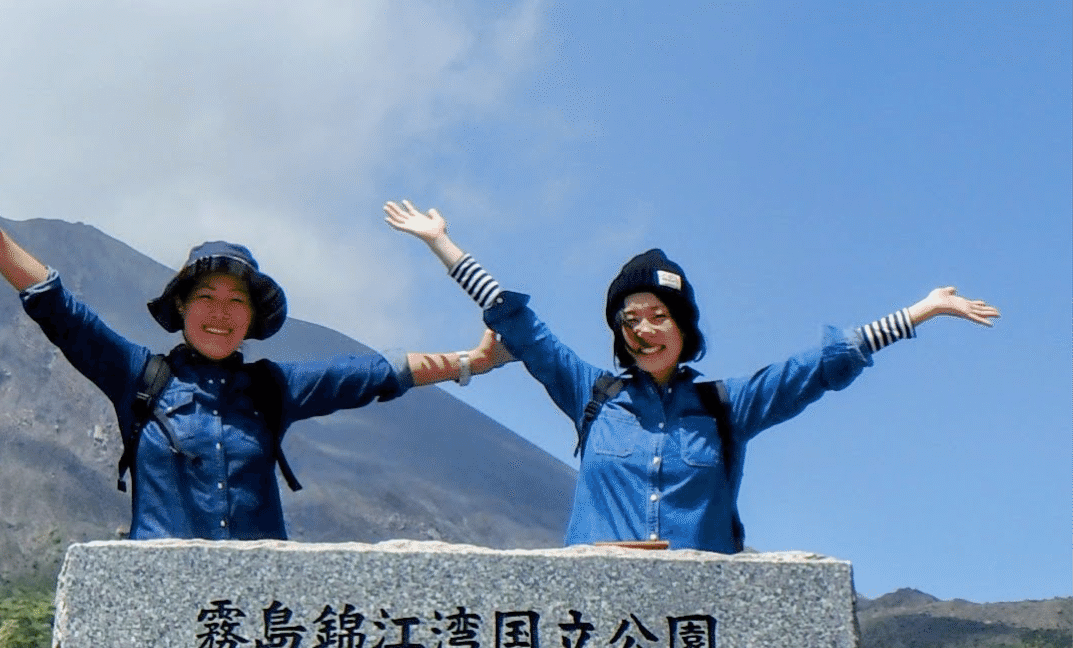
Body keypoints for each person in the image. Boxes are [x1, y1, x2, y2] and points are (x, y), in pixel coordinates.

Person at [0, 150, 508, 541]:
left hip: (256, 609)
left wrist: (471, 363)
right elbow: (57, 307)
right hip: (159, 595)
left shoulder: (273, 388)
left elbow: (375, 373)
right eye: (206, 297)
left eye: (236, 302)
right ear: (180, 306)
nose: (220, 313)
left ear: (252, 319)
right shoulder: (137, 377)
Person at [384, 199, 1000, 553]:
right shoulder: (592, 395)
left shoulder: (728, 407)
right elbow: (521, 327)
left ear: (683, 326)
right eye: (631, 320)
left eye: (659, 316)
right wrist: (444, 244)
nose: (645, 330)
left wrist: (920, 310)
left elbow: (821, 367)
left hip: (695, 627)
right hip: (598, 620)